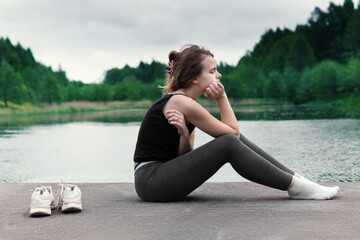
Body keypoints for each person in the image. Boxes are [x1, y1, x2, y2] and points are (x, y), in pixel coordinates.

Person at [133, 44, 339, 202]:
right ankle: (296, 186)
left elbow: (185, 157)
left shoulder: (184, 103)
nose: (219, 75)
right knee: (229, 142)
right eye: (212, 71)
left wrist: (184, 136)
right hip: (150, 181)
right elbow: (233, 135)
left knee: (230, 139)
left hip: (158, 179)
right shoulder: (181, 102)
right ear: (195, 78)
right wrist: (222, 98)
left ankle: (297, 180)